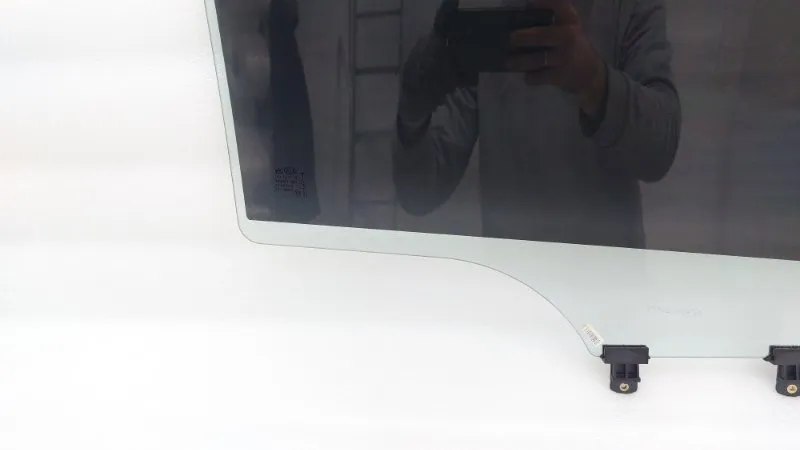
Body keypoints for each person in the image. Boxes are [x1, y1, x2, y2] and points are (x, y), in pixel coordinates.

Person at [393, 0, 682, 248]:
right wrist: (413, 111)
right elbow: (421, 191)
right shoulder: (486, 9)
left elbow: (660, 147)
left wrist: (593, 80)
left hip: (605, 279)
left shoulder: (626, 5)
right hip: (519, 279)